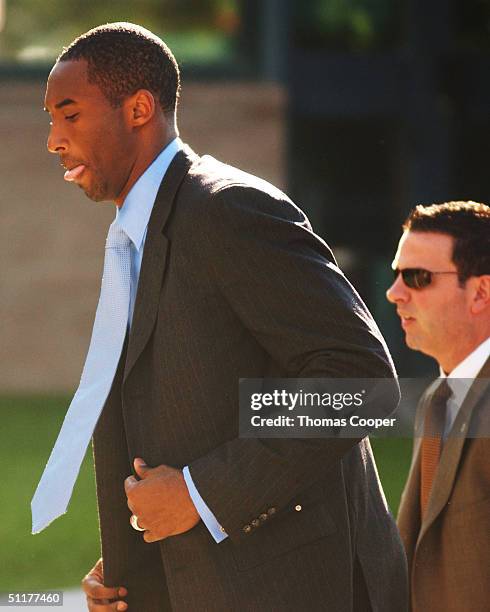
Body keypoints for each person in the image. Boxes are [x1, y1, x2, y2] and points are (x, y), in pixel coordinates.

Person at [35, 22, 407, 611]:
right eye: (51, 118)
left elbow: (358, 381)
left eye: (70, 114)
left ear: (138, 109)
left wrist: (200, 492)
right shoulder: (142, 236)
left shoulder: (227, 209)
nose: (54, 139)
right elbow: (181, 412)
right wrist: (134, 569)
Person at [386, 201, 490, 612]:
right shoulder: (437, 400)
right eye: (397, 275)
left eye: (417, 277)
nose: (395, 293)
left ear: (480, 292)